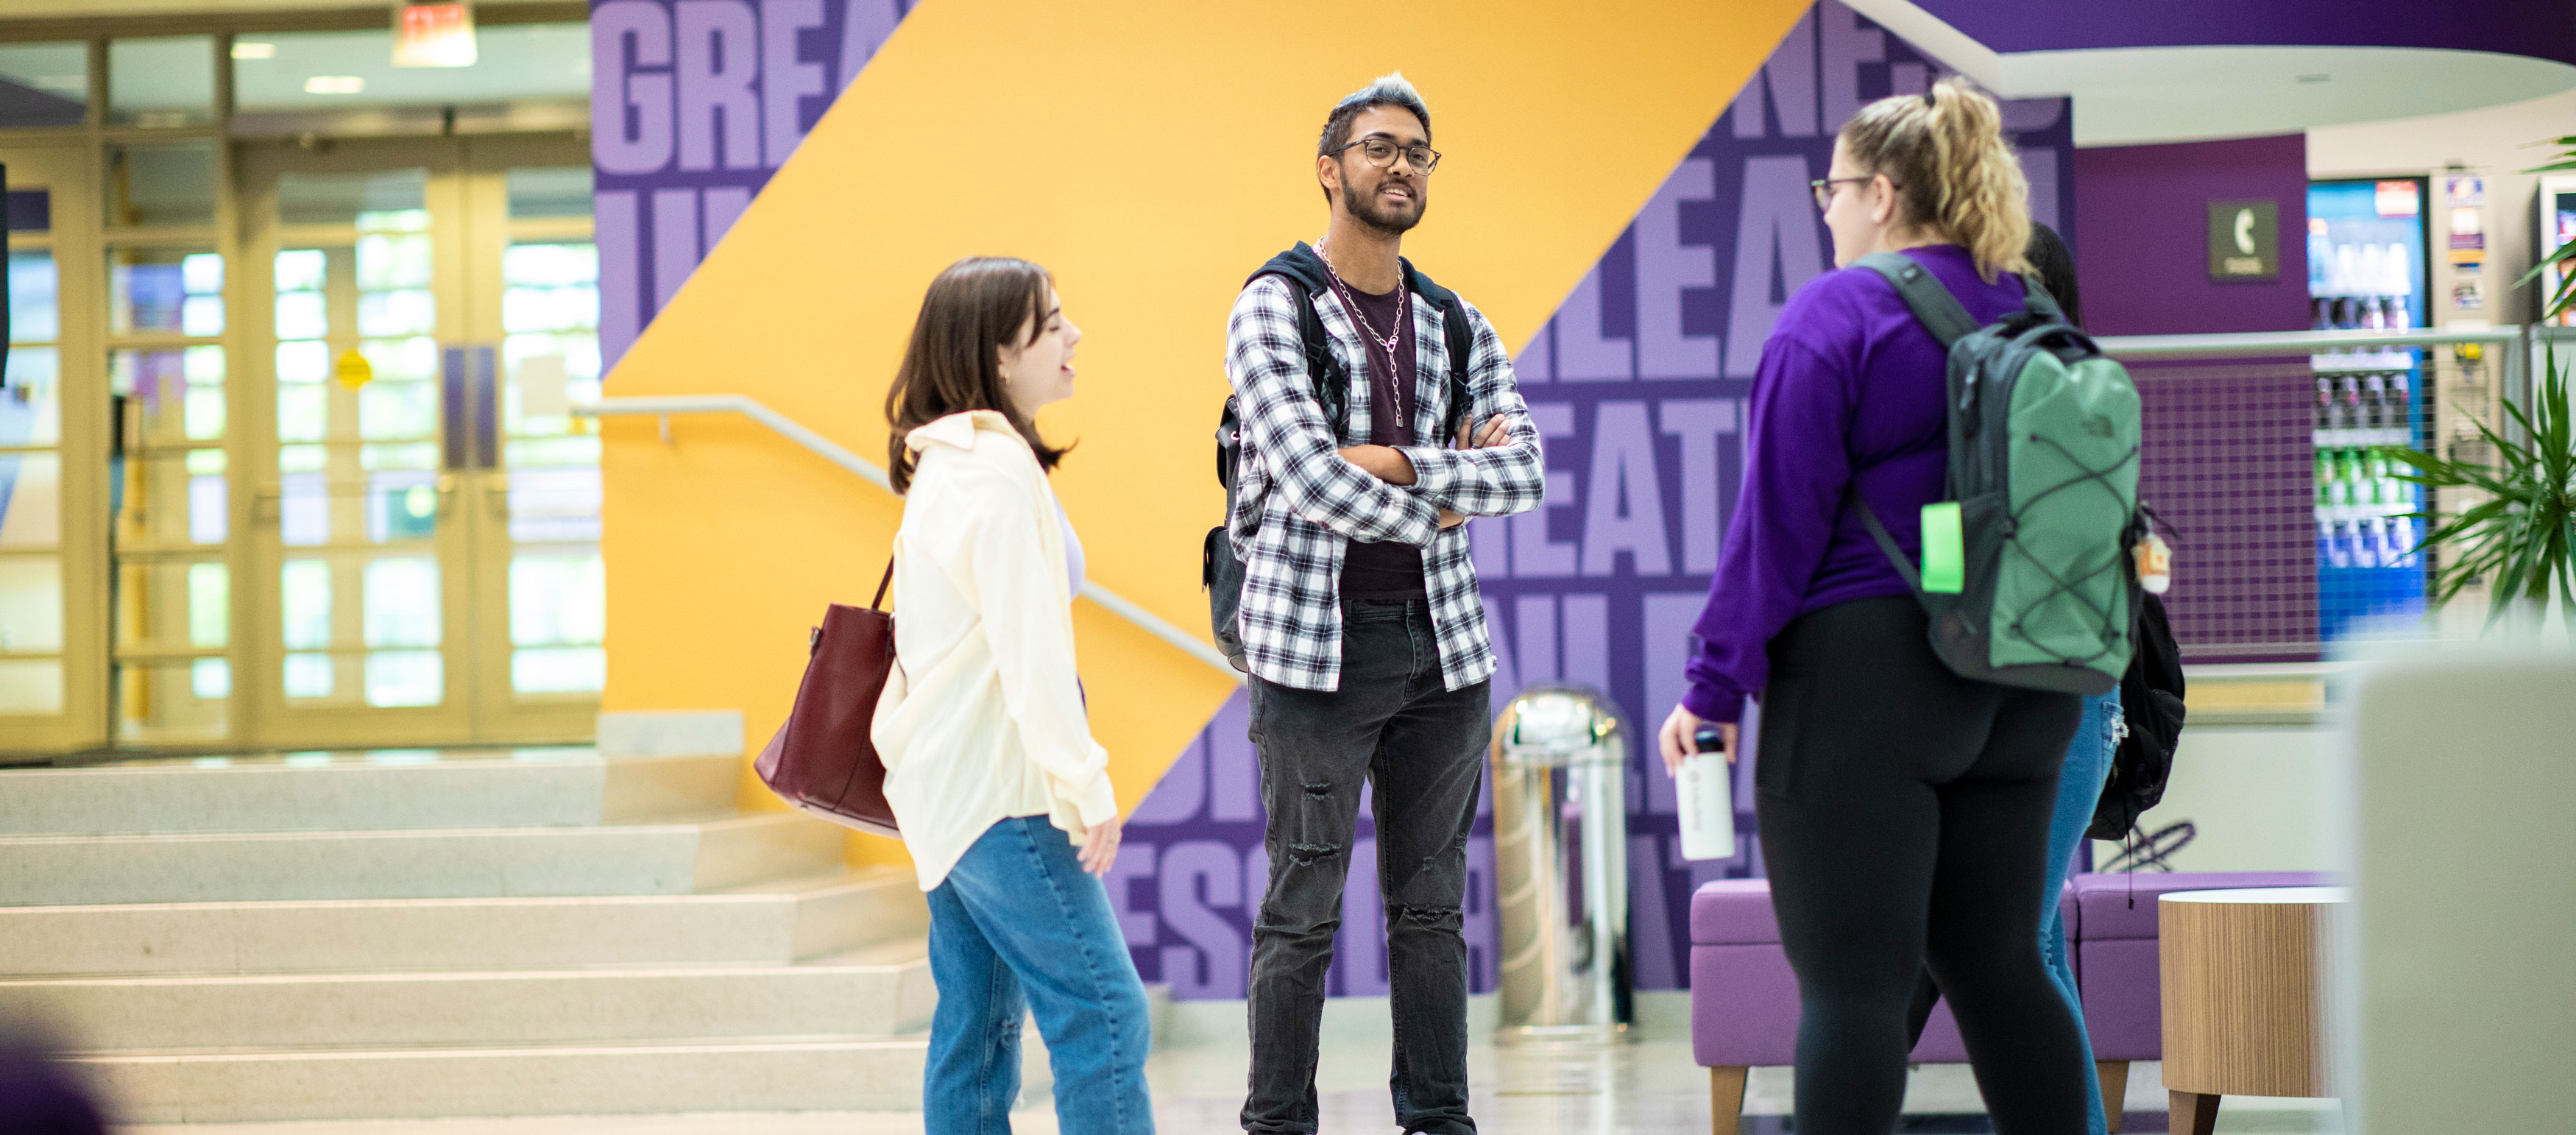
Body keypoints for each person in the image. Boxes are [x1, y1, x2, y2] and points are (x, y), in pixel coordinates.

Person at [1655, 79, 2092, 1134]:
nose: (1829, 207)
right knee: (1996, 967)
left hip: (1871, 679)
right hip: (2027, 680)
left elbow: (1776, 523)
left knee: (1853, 985)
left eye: (1836, 187)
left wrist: (1713, 689)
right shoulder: (2029, 308)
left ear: (1885, 195)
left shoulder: (1839, 312)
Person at [1222, 73, 1546, 1135]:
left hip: (1443, 653)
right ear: (1331, 169)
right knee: (1301, 909)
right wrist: (1445, 485)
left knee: (1432, 911)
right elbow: (1307, 481)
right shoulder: (1274, 303)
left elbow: (1526, 472)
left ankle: (1439, 1120)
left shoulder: (1456, 319)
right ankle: (1277, 1122)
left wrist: (1386, 467)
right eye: (1378, 147)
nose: (1401, 164)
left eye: (1417, 151)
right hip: (1315, 655)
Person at [874, 256, 1152, 1135]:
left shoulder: (956, 464)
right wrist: (1083, 781)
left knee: (977, 1029)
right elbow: (1028, 651)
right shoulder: (990, 474)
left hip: (948, 792)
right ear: (999, 355)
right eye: (1053, 323)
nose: (1075, 337)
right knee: (1104, 1013)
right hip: (1002, 793)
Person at [1898, 221, 2128, 1135]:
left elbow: (1956, 559)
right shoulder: (2065, 394)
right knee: (2006, 939)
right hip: (2050, 693)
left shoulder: (2022, 401)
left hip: (2045, 699)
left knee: (2018, 937)